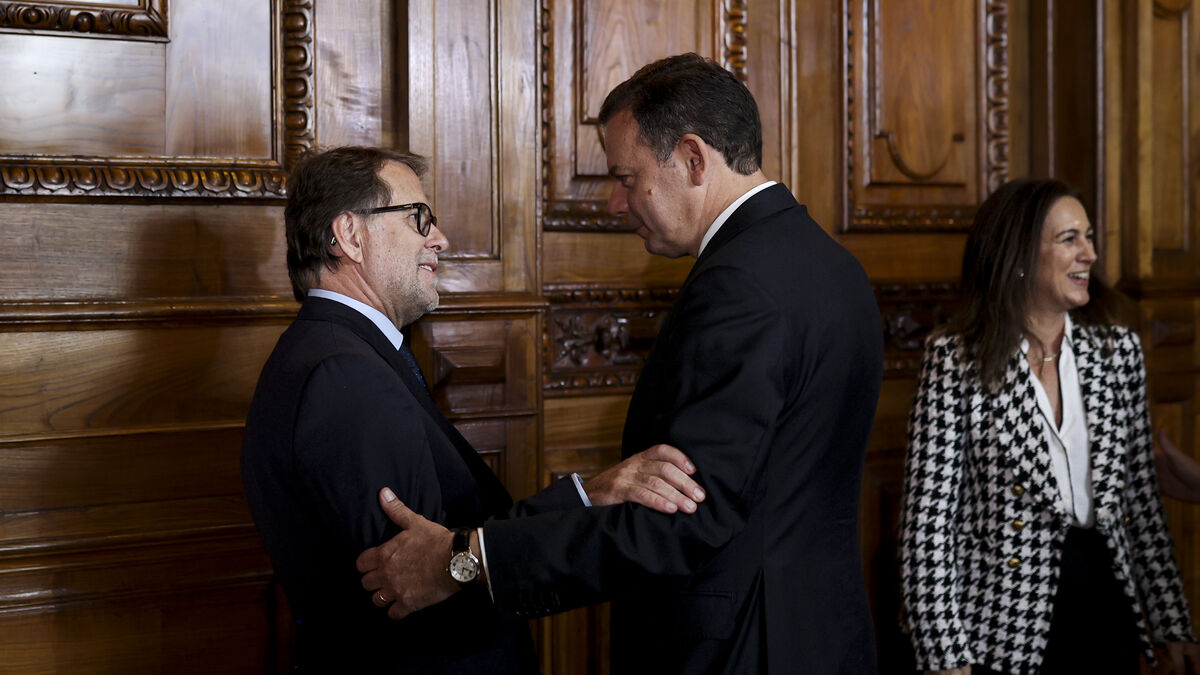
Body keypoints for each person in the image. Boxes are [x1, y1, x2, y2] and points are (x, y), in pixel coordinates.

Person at [356, 53, 883, 673]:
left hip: (739, 650)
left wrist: (468, 560)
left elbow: (681, 522)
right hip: (822, 637)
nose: (614, 203)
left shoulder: (738, 286)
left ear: (693, 158)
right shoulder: (831, 263)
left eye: (626, 178)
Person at [240, 146, 706, 674]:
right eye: (418, 218)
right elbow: (420, 581)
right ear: (349, 235)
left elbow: (444, 548)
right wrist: (588, 503)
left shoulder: (338, 354)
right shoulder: (343, 374)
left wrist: (587, 496)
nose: (439, 239)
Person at [898, 178, 1198, 675]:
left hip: (1106, 612)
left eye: (1089, 237)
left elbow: (1142, 504)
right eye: (1069, 239)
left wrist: (1172, 621)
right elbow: (928, 526)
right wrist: (943, 654)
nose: (1090, 254)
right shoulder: (956, 361)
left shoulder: (1118, 352)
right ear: (1018, 255)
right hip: (1000, 628)